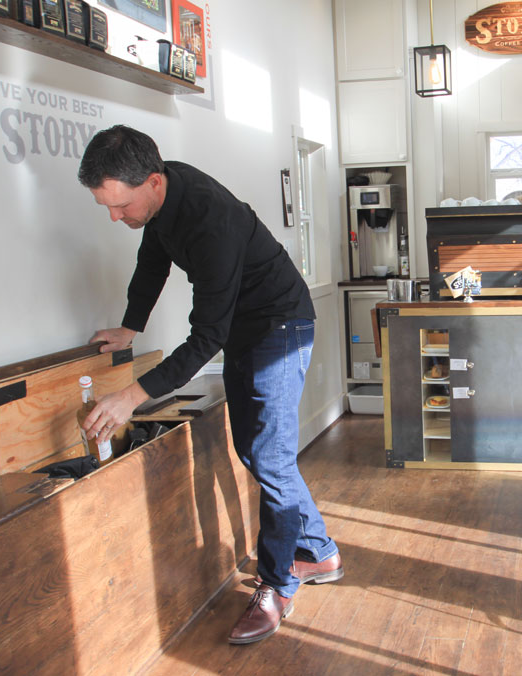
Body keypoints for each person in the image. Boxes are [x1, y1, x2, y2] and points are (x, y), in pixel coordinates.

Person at [76, 125, 342, 645]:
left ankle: (278, 584)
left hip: (280, 325)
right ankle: (320, 552)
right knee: (255, 450)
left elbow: (205, 338)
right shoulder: (161, 200)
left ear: (153, 182)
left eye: (121, 205)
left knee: (270, 459)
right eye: (107, 207)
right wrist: (130, 328)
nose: (115, 217)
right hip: (246, 326)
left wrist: (133, 395)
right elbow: (152, 262)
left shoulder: (209, 219)